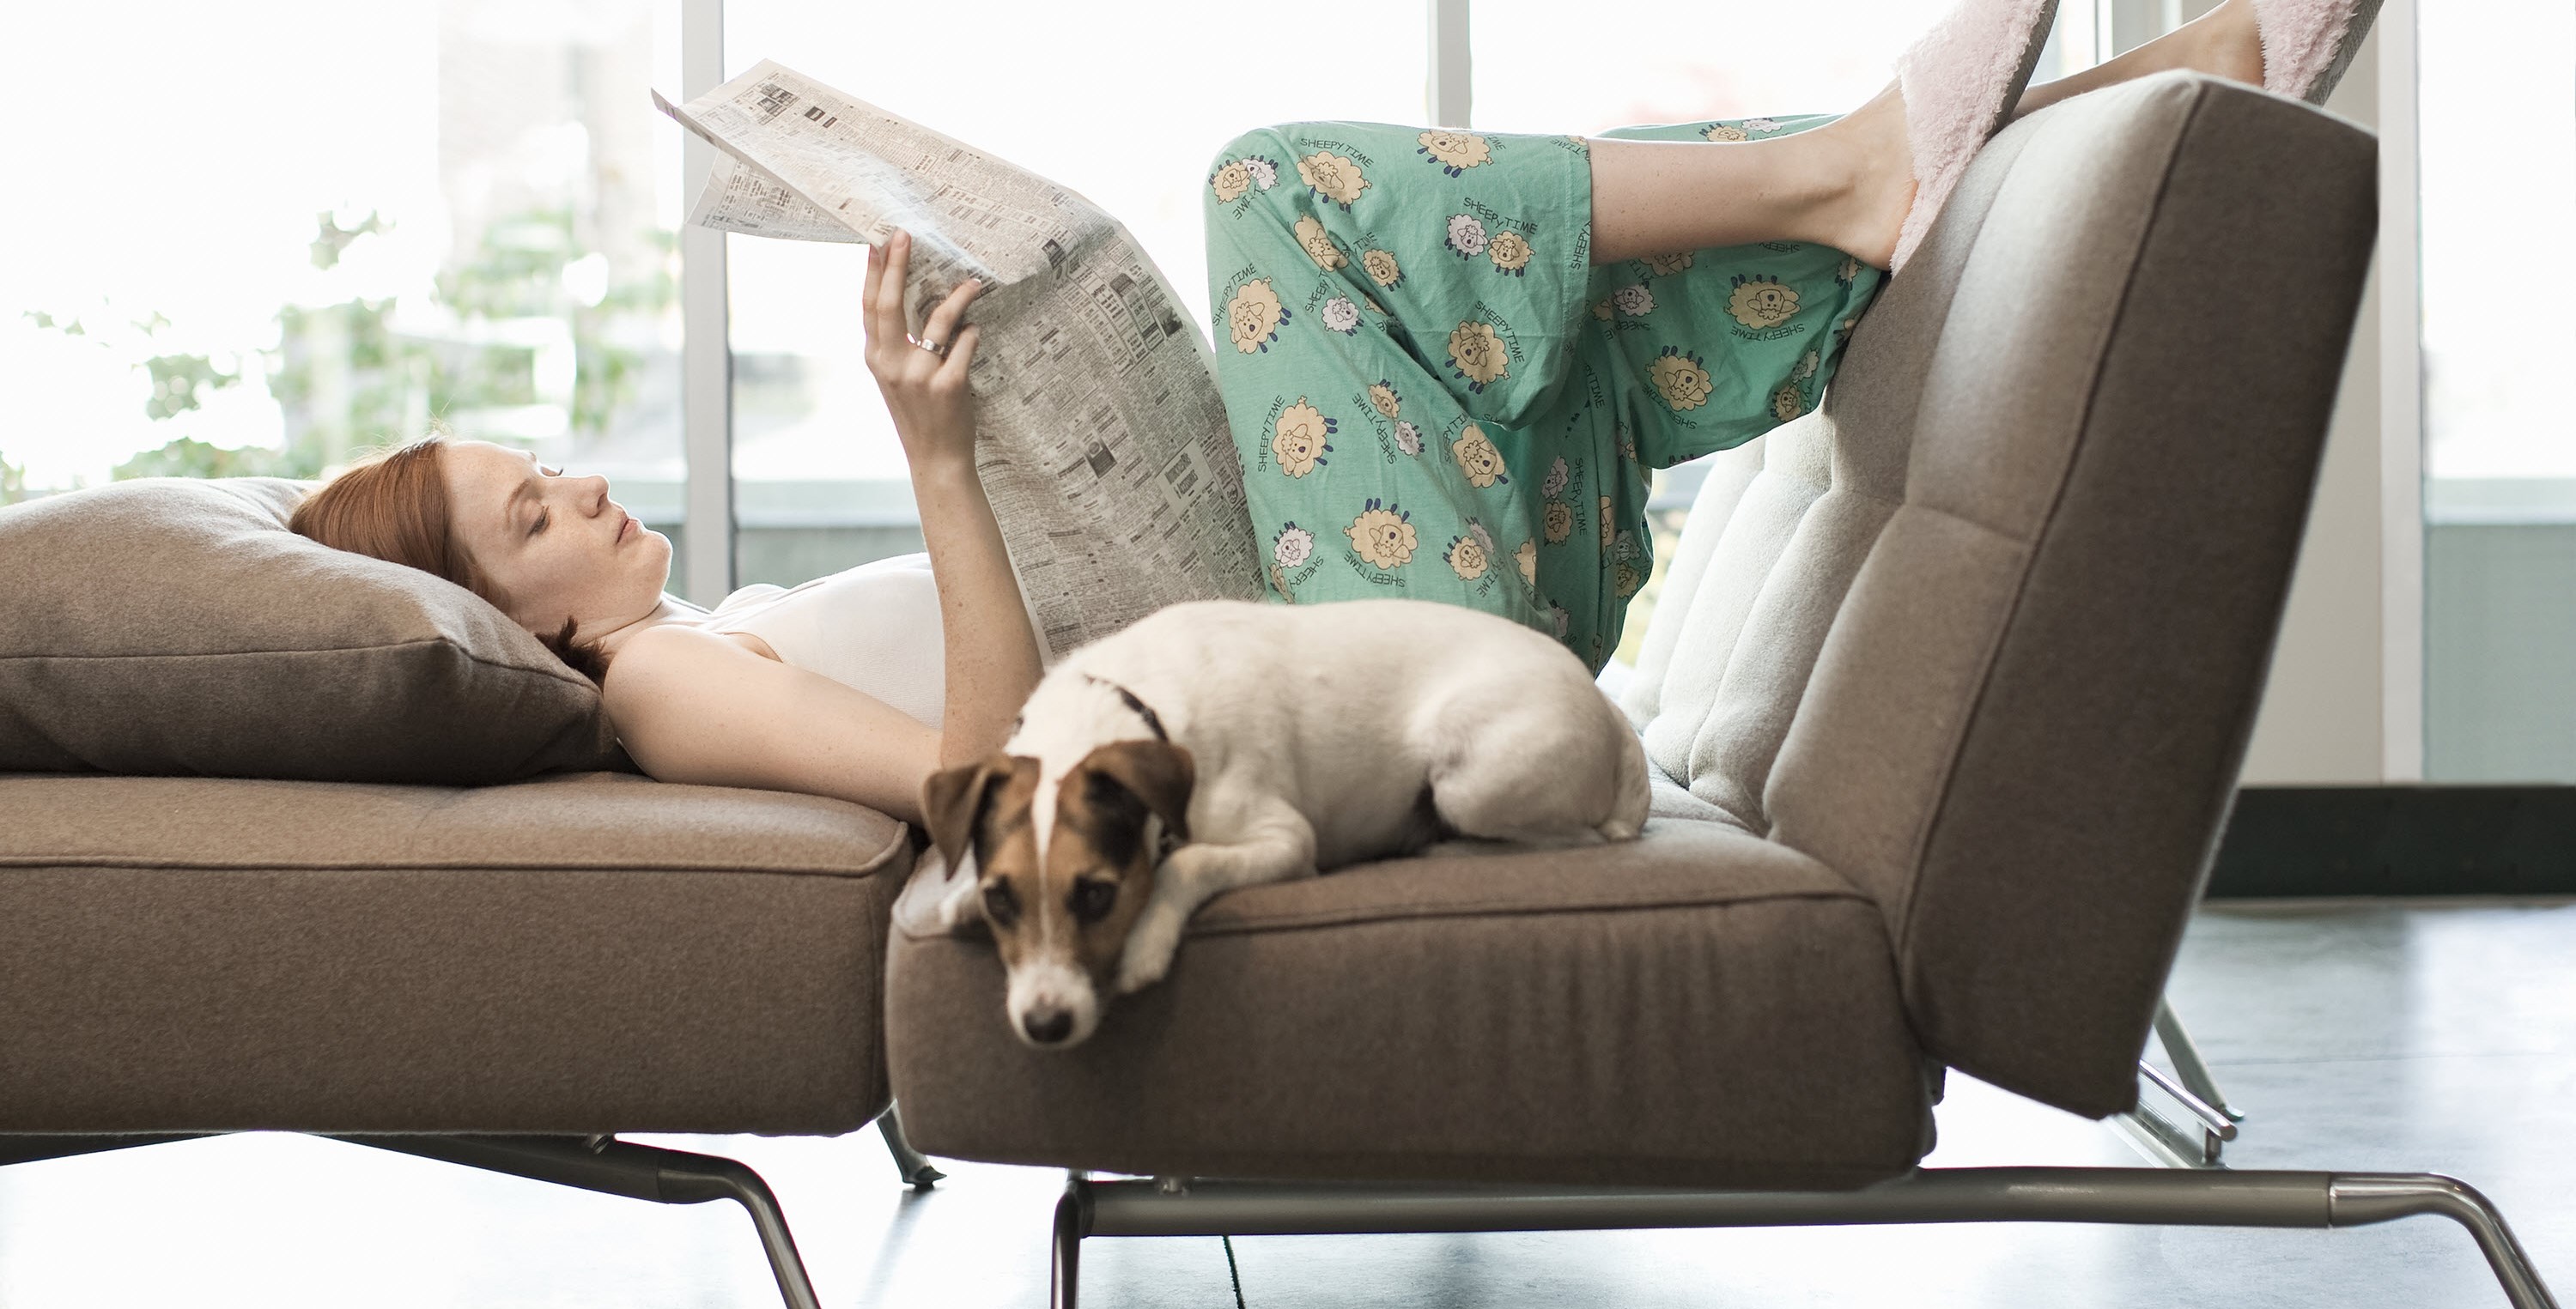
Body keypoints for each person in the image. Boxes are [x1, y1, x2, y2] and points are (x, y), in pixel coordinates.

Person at [287, 0, 2326, 822]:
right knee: (1283, 189)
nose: (579, 488)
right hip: (1358, 696)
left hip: (1348, 629)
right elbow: (972, 776)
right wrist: (938, 456)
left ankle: (2077, 135)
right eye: (529, 514)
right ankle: (1870, 168)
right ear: (525, 623)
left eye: (539, 465)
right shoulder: (654, 687)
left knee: (1561, 277)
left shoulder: (690, 635)